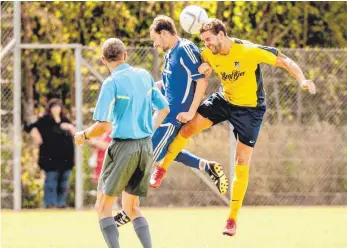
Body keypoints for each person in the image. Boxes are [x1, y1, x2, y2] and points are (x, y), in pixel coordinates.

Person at [154, 18, 317, 236]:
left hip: (250, 110)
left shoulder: (249, 51)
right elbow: (196, 70)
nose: (206, 44)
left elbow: (285, 60)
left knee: (241, 161)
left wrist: (302, 80)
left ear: (221, 34)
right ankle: (161, 168)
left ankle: (232, 219)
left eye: (209, 39)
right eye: (203, 41)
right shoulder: (208, 53)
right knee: (187, 128)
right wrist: (204, 67)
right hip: (224, 100)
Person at [112, 15, 229, 227]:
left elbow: (201, 83)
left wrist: (191, 112)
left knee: (143, 161)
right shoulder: (171, 55)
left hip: (173, 117)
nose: (155, 44)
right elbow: (166, 85)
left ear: (164, 33)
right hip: (164, 114)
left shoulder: (185, 49)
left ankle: (128, 210)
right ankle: (207, 166)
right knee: (167, 151)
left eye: (155, 38)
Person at [74, 38, 169, 248]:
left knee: (102, 206)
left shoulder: (111, 83)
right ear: (125, 55)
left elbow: (104, 126)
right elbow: (164, 109)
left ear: (102, 60)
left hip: (123, 148)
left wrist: (84, 135)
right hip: (145, 147)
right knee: (131, 207)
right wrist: (146, 131)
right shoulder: (144, 75)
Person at [26, 98, 75, 208]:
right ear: (50, 109)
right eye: (54, 107)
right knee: (51, 181)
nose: (56, 109)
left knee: (63, 182)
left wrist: (70, 127)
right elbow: (30, 127)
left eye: (58, 106)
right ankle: (49, 203)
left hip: (66, 157)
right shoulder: (45, 120)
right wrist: (36, 135)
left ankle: (61, 203)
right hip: (50, 158)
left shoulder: (65, 120)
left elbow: (76, 134)